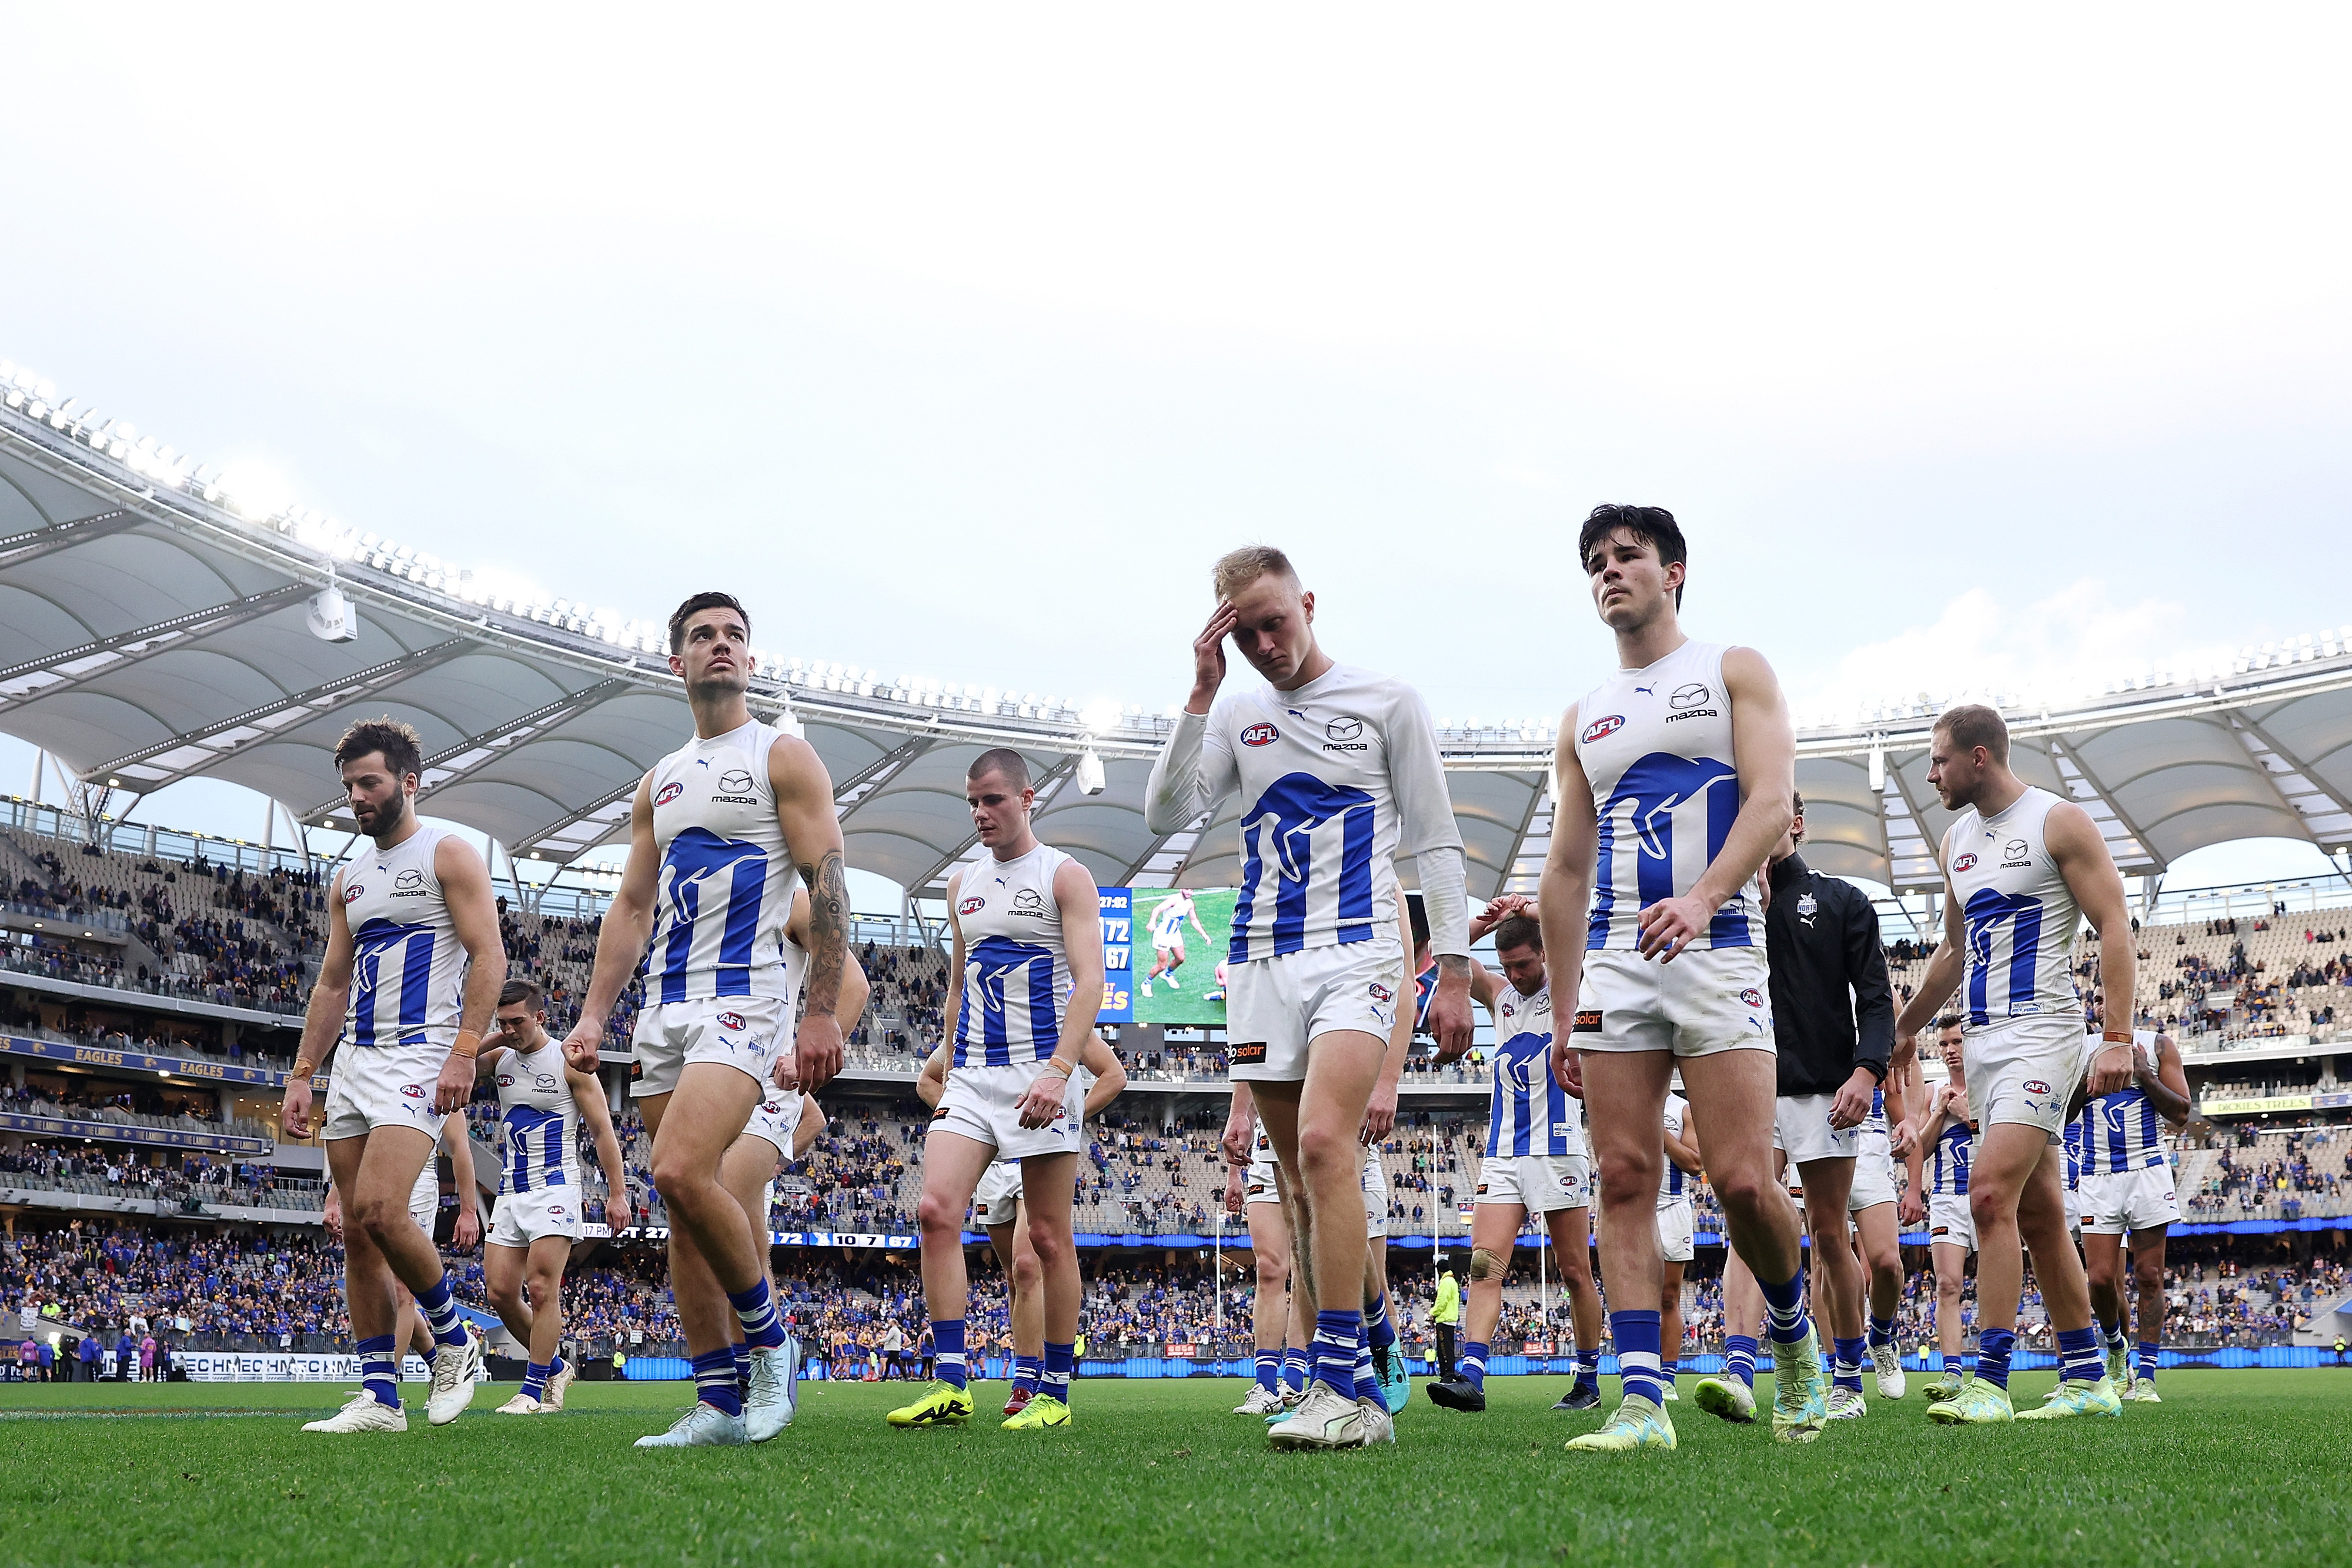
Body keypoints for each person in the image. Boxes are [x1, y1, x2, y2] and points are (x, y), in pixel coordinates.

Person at [1151, 544, 1475, 1450]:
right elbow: (1165, 814)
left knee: (1329, 1145)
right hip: (1258, 963)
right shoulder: (1238, 711)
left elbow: (1439, 843)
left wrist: (1452, 969)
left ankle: (1348, 1391)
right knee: (1297, 1176)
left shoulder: (1386, 702)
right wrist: (1202, 689)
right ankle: (1354, 1359)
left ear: (1310, 602)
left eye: (1274, 621)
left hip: (1358, 953)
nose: (1264, 643)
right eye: (1244, 632)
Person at [1539, 505, 1823, 1453]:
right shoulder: (1584, 716)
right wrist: (1566, 1004)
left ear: (1676, 570)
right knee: (1623, 1175)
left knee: (1744, 1181)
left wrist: (1703, 898)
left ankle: (1790, 1333)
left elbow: (1773, 800)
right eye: (1594, 563)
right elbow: (1567, 872)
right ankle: (1641, 1400)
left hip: (1723, 943)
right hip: (1618, 962)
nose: (1608, 572)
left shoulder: (1733, 668)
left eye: (1626, 556)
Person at [560, 591, 850, 1449]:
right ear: (675, 661)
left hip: (746, 996)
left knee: (685, 1170)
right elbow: (633, 902)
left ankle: (773, 1345)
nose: (718, 645)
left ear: (751, 661)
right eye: (701, 636)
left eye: (733, 635)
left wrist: (823, 1009)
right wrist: (593, 1014)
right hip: (666, 1005)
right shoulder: (661, 779)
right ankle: (718, 1400)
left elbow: (829, 878)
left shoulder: (782, 755)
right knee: (678, 1206)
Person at [1895, 703, 2136, 1425]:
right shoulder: (1955, 843)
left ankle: (1990, 1382)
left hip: (2045, 1033)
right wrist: (1900, 1031)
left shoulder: (2057, 821)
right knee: (2037, 1212)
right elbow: (1952, 951)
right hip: (1983, 1040)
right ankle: (2089, 1377)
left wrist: (2117, 1037)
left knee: (1988, 1194)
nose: (1930, 773)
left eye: (1938, 760)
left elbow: (2115, 922)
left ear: (1977, 758)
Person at [283, 717, 506, 1434]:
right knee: (355, 1231)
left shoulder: (448, 853)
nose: (357, 796)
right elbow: (330, 984)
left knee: (382, 1208)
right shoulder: (347, 879)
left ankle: (454, 1342)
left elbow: (489, 957)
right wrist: (303, 1073)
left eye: (369, 782)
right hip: (354, 1060)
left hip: (419, 1054)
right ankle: (381, 1397)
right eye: (349, 785)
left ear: (409, 783)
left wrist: (465, 1051)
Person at [887, 748, 1105, 1433]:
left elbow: (1091, 982)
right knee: (933, 1211)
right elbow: (958, 985)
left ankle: (1056, 1396)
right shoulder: (963, 886)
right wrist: (951, 1060)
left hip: (1040, 1074)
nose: (981, 814)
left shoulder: (1065, 877)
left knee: (1046, 1237)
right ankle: (951, 1384)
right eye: (972, 803)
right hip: (975, 1076)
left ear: (1027, 798)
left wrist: (1060, 1071)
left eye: (993, 801)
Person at [1428, 898, 1606, 1415]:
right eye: (1508, 967)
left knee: (1575, 1271)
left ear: (1547, 953)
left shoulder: (1571, 985)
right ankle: (1473, 1378)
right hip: (1504, 1153)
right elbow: (1452, 958)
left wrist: (1542, 906)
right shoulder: (1502, 997)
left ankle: (1588, 1379)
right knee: (1484, 1265)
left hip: (1559, 1150)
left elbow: (1594, 927)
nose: (1516, 975)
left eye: (1524, 964)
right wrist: (1488, 921)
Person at [1759, 794, 1896, 1419]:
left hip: (1817, 1090)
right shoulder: (1714, 908)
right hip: (1744, 1085)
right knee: (1747, 1227)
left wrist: (1867, 1073)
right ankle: (1742, 1366)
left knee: (1827, 1233)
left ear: (1795, 821)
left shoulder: (1842, 901)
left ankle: (1847, 1377)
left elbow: (1874, 999)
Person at [716, 884, 867, 1417]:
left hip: (770, 1082)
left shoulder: (792, 898)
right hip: (716, 1076)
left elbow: (856, 985)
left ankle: (763, 1363)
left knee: (724, 1204)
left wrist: (806, 1056)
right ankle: (757, 1370)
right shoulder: (713, 891)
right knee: (742, 1248)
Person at [917, 1029, 1125, 1416]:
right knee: (1014, 1275)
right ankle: (1012, 1369)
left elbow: (1114, 1074)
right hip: (993, 1164)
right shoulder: (974, 1023)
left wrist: (1072, 1114)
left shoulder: (1051, 1014)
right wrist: (978, 1127)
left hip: (1038, 1143)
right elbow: (928, 1081)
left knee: (1030, 1265)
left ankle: (1027, 1381)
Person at [476, 977, 633, 1415]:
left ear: (541, 1017)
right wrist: (498, 1034)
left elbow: (603, 1129)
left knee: (542, 1288)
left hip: (555, 1187)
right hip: (510, 1187)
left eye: (518, 1021)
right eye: (502, 1022)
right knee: (500, 1293)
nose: (509, 1030)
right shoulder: (500, 1058)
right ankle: (557, 1366)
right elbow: (456, 1059)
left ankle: (531, 1390)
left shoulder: (568, 1062)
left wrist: (617, 1193)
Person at [322, 1109, 478, 1415]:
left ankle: (383, 1390)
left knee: (402, 1289)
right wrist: (334, 1196)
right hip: (370, 1180)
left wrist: (469, 1209)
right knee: (384, 1285)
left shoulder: (434, 1067)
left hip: (416, 1183)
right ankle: (436, 1361)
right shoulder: (372, 1071)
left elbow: (459, 1145)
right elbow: (359, 1146)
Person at [2077, 1023, 2190, 1404]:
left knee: (2149, 1275)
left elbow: (2181, 1112)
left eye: (2110, 996)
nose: (2103, 1005)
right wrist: (2085, 1074)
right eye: (2097, 997)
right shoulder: (2080, 1047)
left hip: (2148, 1170)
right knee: (2101, 1278)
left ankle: (2148, 1377)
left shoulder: (2157, 1045)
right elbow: (2062, 1111)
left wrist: (2144, 1073)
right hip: (2097, 1172)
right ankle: (2115, 1344)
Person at [1912, 1023, 1978, 1402]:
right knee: (1947, 1285)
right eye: (1944, 1044)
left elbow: (2000, 1137)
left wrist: (1967, 1113)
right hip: (1947, 1198)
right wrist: (1940, 1112)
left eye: (1957, 1041)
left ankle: (1990, 1369)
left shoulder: (1989, 1084)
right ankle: (1952, 1373)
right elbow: (1918, 1148)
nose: (1950, 1050)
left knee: (1990, 1283)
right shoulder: (1933, 1092)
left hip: (1989, 1198)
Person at [1224, 1115, 1308, 1414]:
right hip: (1264, 1150)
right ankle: (1266, 1385)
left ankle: (1295, 1382)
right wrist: (1234, 1175)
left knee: (1303, 1268)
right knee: (1269, 1269)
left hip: (1308, 1137)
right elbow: (1247, 1084)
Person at [1140, 888, 1208, 998]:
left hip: (1175, 934)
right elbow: (1157, 909)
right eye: (1187, 890)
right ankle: (1147, 983)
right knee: (1162, 965)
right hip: (1163, 935)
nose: (1189, 893)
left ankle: (1168, 974)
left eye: (1191, 890)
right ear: (1181, 889)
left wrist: (1204, 934)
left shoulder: (1190, 903)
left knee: (1180, 959)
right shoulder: (1174, 900)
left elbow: (1194, 920)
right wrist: (1152, 921)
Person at [1431, 1266, 1461, 1380]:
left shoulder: (1446, 1282)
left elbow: (1442, 1301)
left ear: (1439, 1271)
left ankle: (1447, 1374)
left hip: (1444, 1319)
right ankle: (1449, 1372)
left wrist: (1433, 1313)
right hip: (1450, 1319)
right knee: (1449, 1347)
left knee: (1444, 1348)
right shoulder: (1453, 1281)